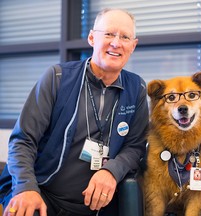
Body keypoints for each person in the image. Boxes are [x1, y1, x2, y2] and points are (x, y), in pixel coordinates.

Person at [0, 8, 149, 216]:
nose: (116, 43)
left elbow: (135, 146)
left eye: (125, 37)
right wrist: (26, 187)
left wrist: (111, 170)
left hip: (96, 205)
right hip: (42, 191)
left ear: (133, 46)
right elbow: (23, 140)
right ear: (91, 37)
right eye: (108, 34)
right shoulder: (57, 78)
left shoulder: (137, 88)